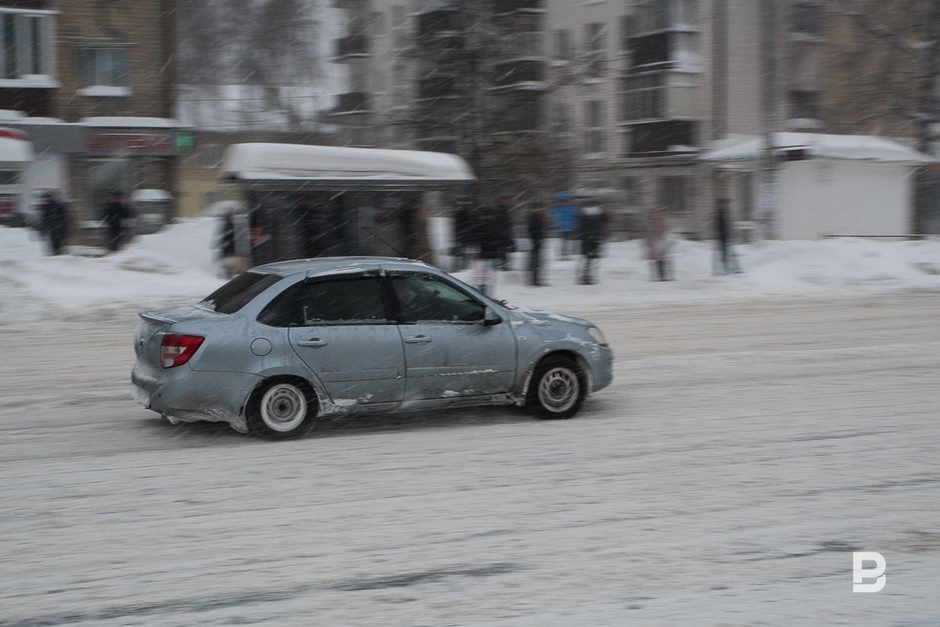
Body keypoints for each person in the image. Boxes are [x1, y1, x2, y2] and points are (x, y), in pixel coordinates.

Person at [474, 203, 504, 295]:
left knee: (486, 280)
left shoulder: (484, 225)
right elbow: (483, 240)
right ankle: (485, 297)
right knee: (486, 280)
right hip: (487, 256)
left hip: (487, 255)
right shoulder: (486, 226)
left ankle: (485, 297)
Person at [577, 202, 607, 285]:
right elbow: (604, 220)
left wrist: (603, 212)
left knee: (590, 259)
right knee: (588, 259)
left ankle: (587, 277)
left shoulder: (590, 217)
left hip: (592, 240)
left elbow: (604, 220)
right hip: (590, 240)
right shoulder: (590, 218)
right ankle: (585, 277)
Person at [713, 198, 741, 275]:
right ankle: (725, 268)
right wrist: (718, 233)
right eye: (724, 205)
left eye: (727, 205)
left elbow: (730, 224)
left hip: (728, 235)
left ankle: (733, 267)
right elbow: (717, 225)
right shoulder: (719, 213)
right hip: (722, 236)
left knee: (731, 252)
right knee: (724, 253)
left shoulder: (728, 213)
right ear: (721, 205)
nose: (726, 206)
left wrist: (734, 231)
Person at [646, 206, 672, 281]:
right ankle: (658, 276)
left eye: (664, 212)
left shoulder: (663, 220)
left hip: (661, 240)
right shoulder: (654, 221)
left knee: (662, 259)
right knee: (658, 260)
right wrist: (650, 241)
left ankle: (662, 276)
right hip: (656, 241)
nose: (664, 214)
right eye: (662, 212)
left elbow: (666, 230)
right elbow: (650, 232)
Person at [40, 190, 69, 256]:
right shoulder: (59, 206)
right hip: (59, 229)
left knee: (55, 246)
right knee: (58, 246)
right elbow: (64, 218)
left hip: (54, 229)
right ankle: (58, 255)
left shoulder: (49, 207)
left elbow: (45, 219)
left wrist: (44, 229)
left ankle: (56, 255)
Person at [551, 192, 578, 260]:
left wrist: (575, 224)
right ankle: (563, 253)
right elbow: (552, 215)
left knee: (567, 241)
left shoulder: (571, 208)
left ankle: (567, 253)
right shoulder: (556, 208)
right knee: (563, 241)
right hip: (561, 227)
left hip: (569, 227)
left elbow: (574, 217)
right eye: (560, 201)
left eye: (564, 201)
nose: (562, 203)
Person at [452, 197, 477, 271]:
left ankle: (461, 268)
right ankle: (463, 268)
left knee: (462, 255)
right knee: (465, 255)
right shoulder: (471, 214)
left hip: (463, 238)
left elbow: (456, 228)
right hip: (464, 238)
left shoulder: (459, 214)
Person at [527, 201, 548, 286]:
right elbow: (533, 230)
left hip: (536, 242)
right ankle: (534, 280)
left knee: (537, 262)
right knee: (535, 262)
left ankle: (536, 279)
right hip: (535, 242)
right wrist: (536, 240)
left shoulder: (537, 217)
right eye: (543, 209)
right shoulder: (534, 217)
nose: (545, 211)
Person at [494, 194, 515, 270]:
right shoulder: (501, 210)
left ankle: (503, 264)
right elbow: (503, 223)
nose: (509, 201)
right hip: (502, 235)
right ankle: (502, 264)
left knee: (503, 251)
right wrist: (505, 233)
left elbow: (507, 224)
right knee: (502, 250)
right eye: (507, 200)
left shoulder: (505, 210)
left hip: (503, 234)